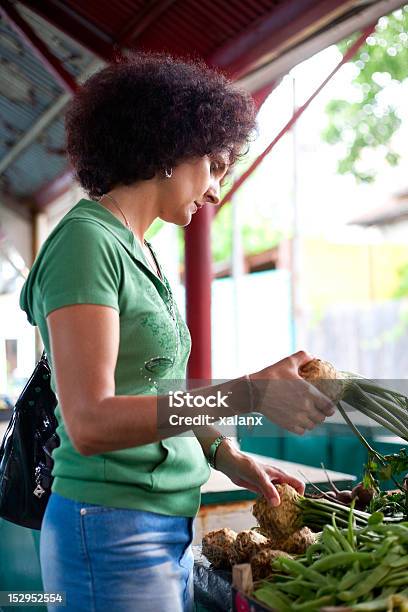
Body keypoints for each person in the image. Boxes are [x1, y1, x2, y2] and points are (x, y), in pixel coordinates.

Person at [20, 52, 334, 612]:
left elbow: (156, 391)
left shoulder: (139, 251)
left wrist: (225, 452)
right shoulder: (85, 244)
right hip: (111, 527)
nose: (216, 190)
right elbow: (89, 421)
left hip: (160, 521)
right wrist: (251, 392)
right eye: (214, 166)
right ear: (168, 148)